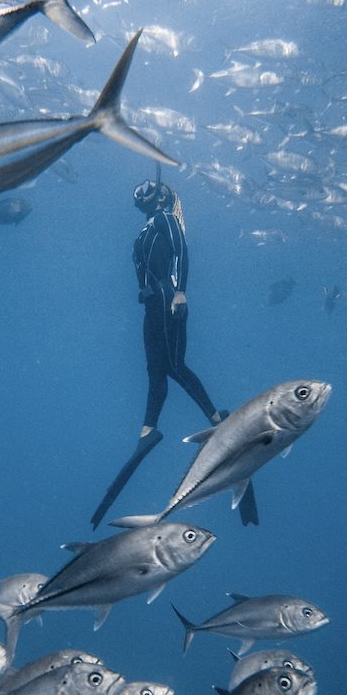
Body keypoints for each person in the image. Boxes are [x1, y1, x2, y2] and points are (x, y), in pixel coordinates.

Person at [90, 178, 224, 528]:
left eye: (148, 188)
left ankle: (217, 422)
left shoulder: (165, 219)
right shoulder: (146, 228)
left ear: (161, 195)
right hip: (151, 302)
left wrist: (180, 291)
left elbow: (181, 250)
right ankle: (149, 430)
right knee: (155, 369)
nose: (141, 193)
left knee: (175, 366)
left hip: (167, 296)